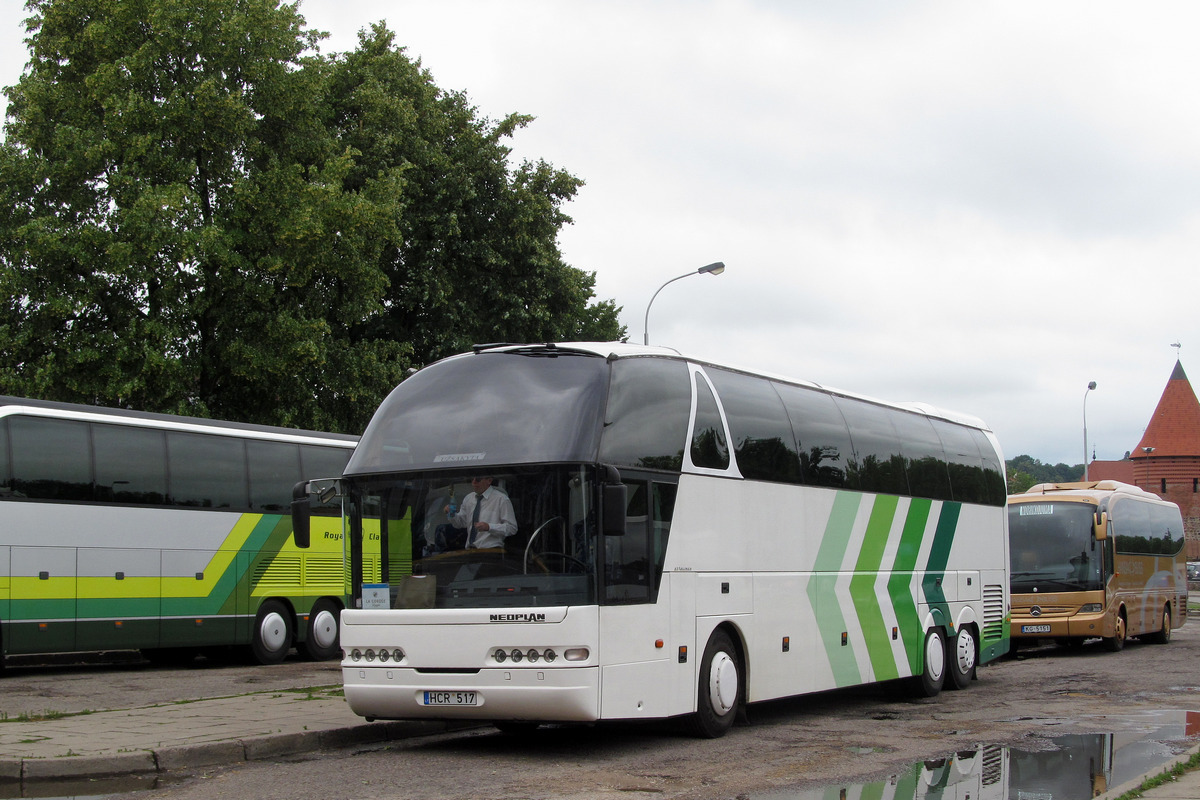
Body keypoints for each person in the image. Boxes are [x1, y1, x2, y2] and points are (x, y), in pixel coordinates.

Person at [442, 476, 518, 550]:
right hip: (470, 551)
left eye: (478, 479)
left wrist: (489, 527)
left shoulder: (501, 499)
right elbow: (461, 523)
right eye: (472, 479)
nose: (473, 482)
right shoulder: (468, 498)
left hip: (492, 551)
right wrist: (451, 514)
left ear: (489, 481)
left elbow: (512, 528)